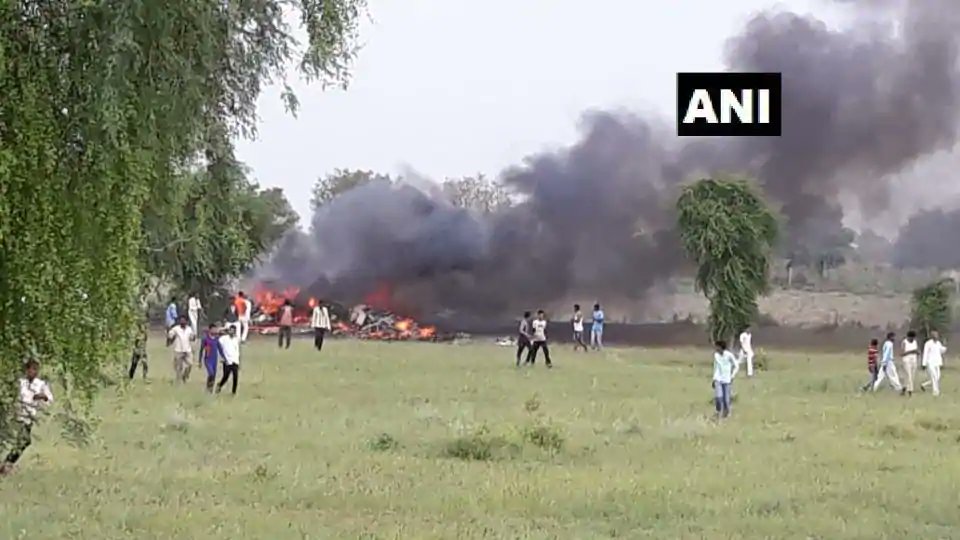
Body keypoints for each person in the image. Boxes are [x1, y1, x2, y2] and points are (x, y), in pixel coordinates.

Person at [1, 360, 54, 476]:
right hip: (17, 415)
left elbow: (50, 399)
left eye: (35, 370)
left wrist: (43, 397)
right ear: (26, 370)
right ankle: (7, 464)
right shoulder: (20, 383)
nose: (33, 372)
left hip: (29, 417)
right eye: (31, 369)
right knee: (21, 439)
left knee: (24, 441)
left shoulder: (41, 384)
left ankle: (7, 463)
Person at [712, 340, 737, 419]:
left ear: (721, 347)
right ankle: (718, 412)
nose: (716, 348)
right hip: (718, 379)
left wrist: (732, 376)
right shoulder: (716, 355)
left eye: (717, 347)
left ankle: (726, 413)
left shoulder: (729, 355)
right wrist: (714, 379)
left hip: (727, 380)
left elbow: (736, 366)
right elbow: (716, 367)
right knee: (718, 397)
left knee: (726, 400)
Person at [167, 316, 195, 383]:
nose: (182, 322)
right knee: (179, 368)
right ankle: (178, 381)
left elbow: (192, 338)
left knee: (190, 364)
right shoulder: (176, 329)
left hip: (187, 350)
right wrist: (170, 335)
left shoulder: (189, 329)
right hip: (178, 350)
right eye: (181, 320)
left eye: (183, 320)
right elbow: (170, 335)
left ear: (186, 321)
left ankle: (185, 376)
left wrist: (193, 337)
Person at [217, 324, 241, 395]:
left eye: (234, 331)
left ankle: (233, 392)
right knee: (226, 376)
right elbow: (218, 343)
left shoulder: (236, 339)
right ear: (229, 331)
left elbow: (237, 350)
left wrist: (238, 360)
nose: (232, 332)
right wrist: (222, 357)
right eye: (231, 330)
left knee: (235, 377)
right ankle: (220, 385)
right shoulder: (224, 338)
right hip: (227, 360)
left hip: (235, 360)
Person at [921, 330, 947, 396]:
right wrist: (924, 364)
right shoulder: (928, 343)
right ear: (932, 336)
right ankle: (935, 391)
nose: (936, 336)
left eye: (937, 335)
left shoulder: (938, 343)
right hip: (930, 362)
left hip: (937, 362)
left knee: (937, 377)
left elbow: (942, 351)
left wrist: (945, 345)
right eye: (935, 335)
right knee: (934, 376)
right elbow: (925, 353)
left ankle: (924, 385)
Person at [199, 324, 221, 393]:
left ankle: (210, 389)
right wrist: (199, 361)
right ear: (210, 330)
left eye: (215, 329)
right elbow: (201, 350)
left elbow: (220, 349)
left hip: (215, 359)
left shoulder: (217, 339)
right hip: (208, 359)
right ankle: (208, 387)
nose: (214, 331)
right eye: (213, 329)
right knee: (211, 373)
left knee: (214, 375)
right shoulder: (205, 339)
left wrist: (224, 358)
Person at [128, 312, 149, 380]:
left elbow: (145, 340)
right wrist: (135, 349)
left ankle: (144, 376)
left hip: (143, 350)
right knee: (134, 364)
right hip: (137, 351)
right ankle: (130, 376)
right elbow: (135, 342)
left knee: (145, 364)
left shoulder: (145, 334)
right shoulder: (137, 334)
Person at [901, 330, 920, 396]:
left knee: (911, 376)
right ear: (908, 337)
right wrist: (911, 351)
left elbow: (917, 350)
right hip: (906, 360)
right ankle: (910, 391)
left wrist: (917, 352)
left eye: (913, 338)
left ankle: (904, 388)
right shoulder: (904, 342)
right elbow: (902, 353)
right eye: (911, 338)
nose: (912, 339)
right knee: (909, 375)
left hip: (914, 360)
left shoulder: (915, 342)